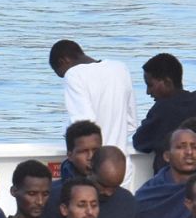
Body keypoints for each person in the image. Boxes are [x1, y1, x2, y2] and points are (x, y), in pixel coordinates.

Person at [49, 39, 139, 186]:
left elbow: (84, 123)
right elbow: (131, 123)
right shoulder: (120, 68)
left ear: (63, 61)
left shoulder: (74, 75)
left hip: (94, 170)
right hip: (121, 167)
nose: (64, 76)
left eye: (61, 74)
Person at [132, 53, 196, 173]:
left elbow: (140, 142)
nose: (148, 92)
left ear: (167, 82)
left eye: (150, 85)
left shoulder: (162, 108)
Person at [93, 146, 140, 218]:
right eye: (104, 185)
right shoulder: (70, 197)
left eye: (115, 187)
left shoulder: (129, 202)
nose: (108, 192)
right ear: (91, 168)